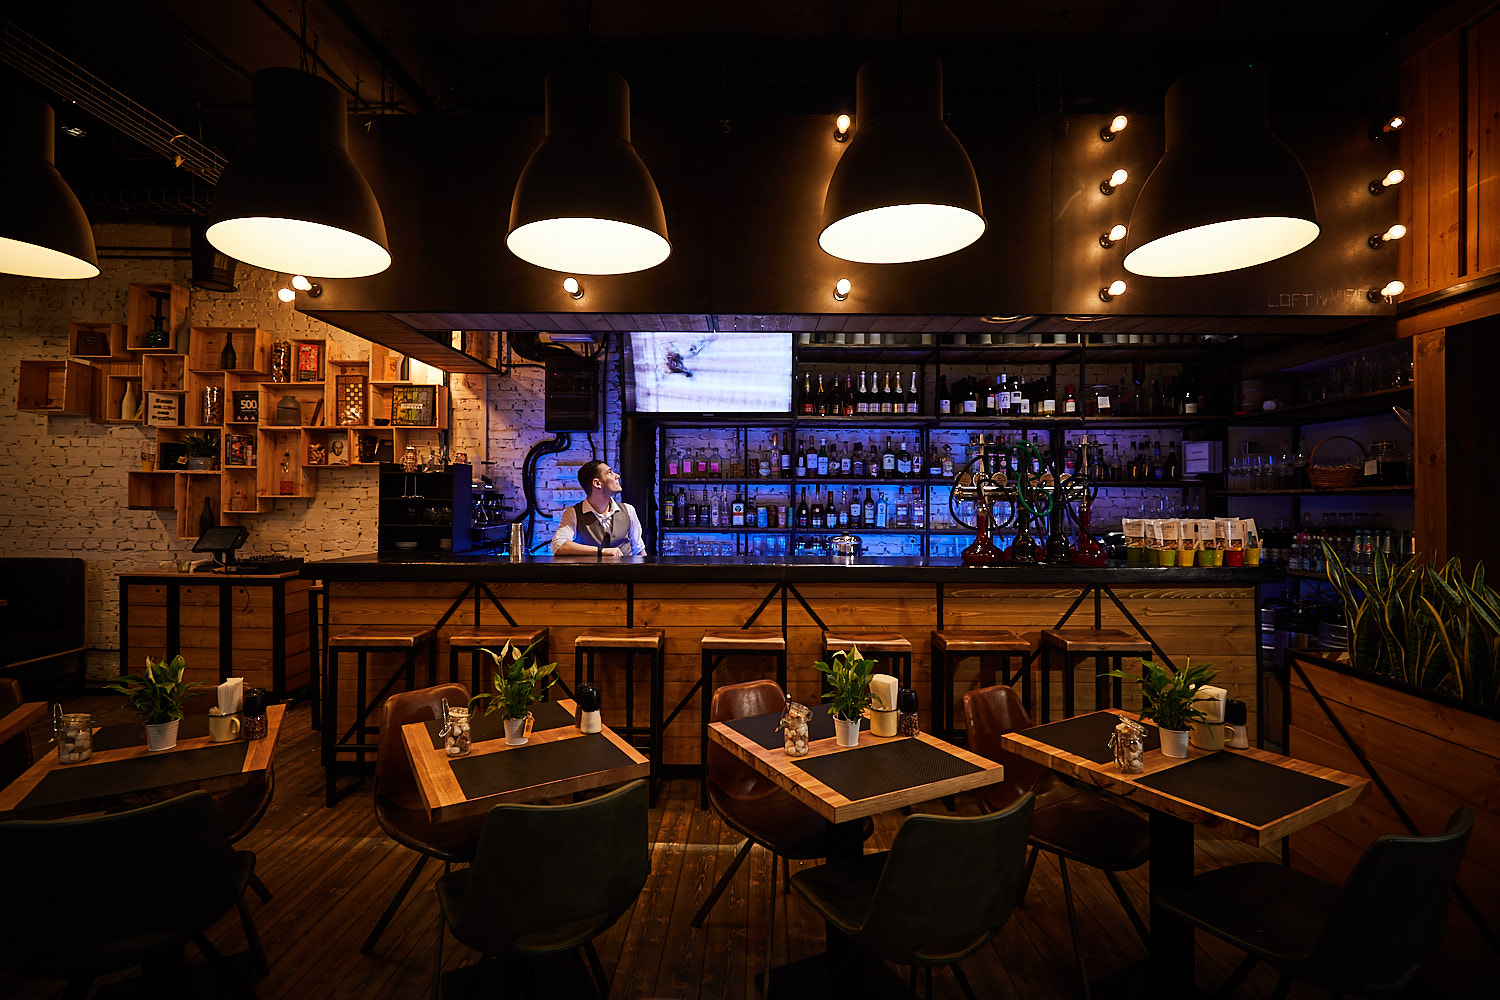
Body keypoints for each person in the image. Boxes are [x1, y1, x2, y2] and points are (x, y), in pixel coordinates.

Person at [551, 459, 644, 557]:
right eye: (609, 473)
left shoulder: (628, 510)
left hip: (626, 567)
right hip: (591, 568)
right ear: (597, 483)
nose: (617, 476)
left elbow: (639, 550)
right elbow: (558, 545)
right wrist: (601, 551)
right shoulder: (573, 513)